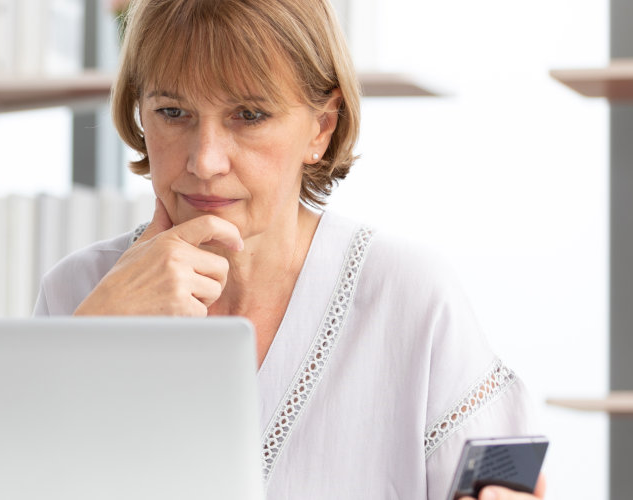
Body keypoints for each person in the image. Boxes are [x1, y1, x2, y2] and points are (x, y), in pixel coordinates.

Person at [32, 1, 546, 499]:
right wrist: (88, 344)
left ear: (322, 127)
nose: (205, 160)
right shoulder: (78, 292)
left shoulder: (412, 296)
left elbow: (506, 474)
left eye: (248, 115)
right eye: (172, 111)